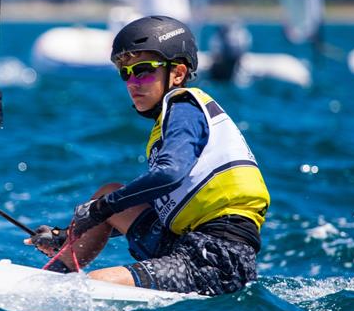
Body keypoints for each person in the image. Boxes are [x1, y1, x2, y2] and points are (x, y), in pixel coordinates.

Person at [25, 16, 270, 295]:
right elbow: (135, 207)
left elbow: (169, 174)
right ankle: (55, 275)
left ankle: (57, 293)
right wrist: (67, 235)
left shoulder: (184, 108)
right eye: (125, 73)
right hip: (184, 240)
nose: (132, 82)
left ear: (177, 73)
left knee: (95, 284)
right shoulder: (170, 119)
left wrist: (101, 209)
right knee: (109, 192)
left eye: (143, 70)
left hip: (217, 259)